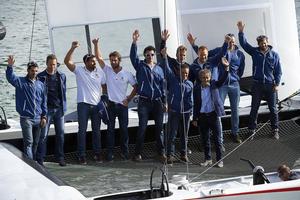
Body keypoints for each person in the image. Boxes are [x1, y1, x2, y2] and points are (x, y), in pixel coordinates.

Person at [92, 38, 138, 161]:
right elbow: (98, 57)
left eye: (115, 60)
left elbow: (136, 87)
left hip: (123, 106)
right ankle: (110, 153)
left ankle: (125, 152)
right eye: (111, 60)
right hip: (111, 105)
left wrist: (129, 98)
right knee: (110, 130)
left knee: (124, 130)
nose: (112, 62)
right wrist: (96, 44)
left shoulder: (127, 73)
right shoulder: (107, 70)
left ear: (119, 60)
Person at [237, 21, 282, 140]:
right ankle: (251, 131)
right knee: (254, 108)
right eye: (261, 43)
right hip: (257, 85)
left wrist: (276, 83)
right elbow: (244, 44)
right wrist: (241, 32)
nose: (264, 44)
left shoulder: (274, 55)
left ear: (267, 42)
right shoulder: (254, 52)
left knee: (273, 108)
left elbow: (278, 71)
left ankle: (275, 130)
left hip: (270, 85)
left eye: (265, 42)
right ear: (258, 44)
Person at [64, 41, 106, 165]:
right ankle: (81, 155)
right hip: (83, 105)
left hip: (97, 105)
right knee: (82, 130)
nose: (94, 63)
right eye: (91, 61)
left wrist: (104, 98)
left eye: (94, 61)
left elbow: (104, 85)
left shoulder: (99, 72)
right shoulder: (79, 70)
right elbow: (67, 62)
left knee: (96, 131)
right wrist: (72, 48)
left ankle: (97, 154)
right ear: (85, 62)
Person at [130, 30, 166, 162]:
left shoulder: (159, 68)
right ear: (144, 56)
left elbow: (163, 87)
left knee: (159, 129)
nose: (150, 56)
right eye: (147, 54)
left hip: (157, 102)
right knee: (142, 128)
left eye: (152, 54)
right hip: (144, 102)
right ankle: (137, 153)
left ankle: (161, 152)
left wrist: (165, 102)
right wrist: (134, 42)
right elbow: (133, 57)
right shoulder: (140, 66)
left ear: (154, 55)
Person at [6, 56, 47, 160]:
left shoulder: (40, 84)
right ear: (28, 70)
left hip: (38, 118)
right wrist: (10, 66)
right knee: (29, 142)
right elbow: (10, 77)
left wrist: (44, 116)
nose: (34, 73)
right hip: (26, 118)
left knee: (36, 143)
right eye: (32, 71)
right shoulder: (20, 82)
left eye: (36, 71)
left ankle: (31, 162)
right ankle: (31, 166)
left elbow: (43, 102)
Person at [192, 57, 230, 168]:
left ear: (210, 77)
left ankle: (219, 160)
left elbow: (223, 79)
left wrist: (226, 68)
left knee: (217, 140)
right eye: (203, 78)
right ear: (200, 78)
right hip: (203, 116)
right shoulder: (197, 89)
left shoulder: (214, 85)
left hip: (214, 115)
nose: (206, 79)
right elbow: (196, 105)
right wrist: (195, 118)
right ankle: (208, 159)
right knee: (205, 140)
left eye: (207, 77)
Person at [161, 47, 193, 164]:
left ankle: (183, 154)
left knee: (184, 136)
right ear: (179, 72)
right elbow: (167, 68)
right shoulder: (173, 79)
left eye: (186, 74)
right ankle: (170, 155)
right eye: (183, 73)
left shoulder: (190, 84)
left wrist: (191, 112)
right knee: (172, 134)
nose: (184, 75)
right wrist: (164, 56)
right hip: (174, 111)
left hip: (186, 113)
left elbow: (191, 99)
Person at [36, 54, 67, 167]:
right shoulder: (40, 77)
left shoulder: (62, 76)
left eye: (54, 64)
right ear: (46, 63)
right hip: (46, 110)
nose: (52, 67)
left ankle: (60, 157)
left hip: (59, 109)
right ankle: (40, 159)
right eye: (50, 64)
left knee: (61, 134)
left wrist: (63, 107)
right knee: (43, 135)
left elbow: (64, 93)